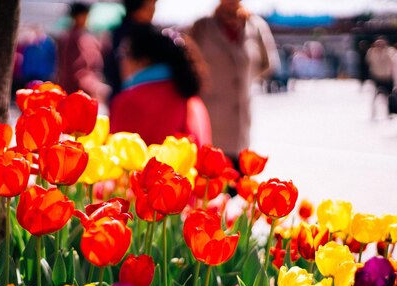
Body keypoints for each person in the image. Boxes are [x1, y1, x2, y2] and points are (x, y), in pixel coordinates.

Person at [189, 0, 278, 166]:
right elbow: (188, 66)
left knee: (237, 180)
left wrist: (243, 82)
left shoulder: (256, 26)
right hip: (210, 123)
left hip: (240, 124)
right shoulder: (203, 27)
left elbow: (268, 66)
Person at [109, 24, 211, 147]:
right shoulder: (192, 98)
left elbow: (114, 155)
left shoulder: (130, 101)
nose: (121, 62)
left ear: (143, 60)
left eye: (123, 54)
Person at [103, 0, 157, 101]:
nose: (153, 10)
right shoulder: (127, 34)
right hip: (129, 95)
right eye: (150, 6)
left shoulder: (119, 31)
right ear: (136, 9)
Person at [56, 2, 109, 101]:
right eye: (84, 15)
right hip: (78, 90)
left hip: (76, 87)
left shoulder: (74, 36)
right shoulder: (75, 38)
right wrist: (93, 85)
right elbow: (78, 68)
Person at [366, 36, 396, 118]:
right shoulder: (372, 51)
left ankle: (390, 112)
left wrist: (385, 51)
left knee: (389, 97)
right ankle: (374, 113)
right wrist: (375, 50)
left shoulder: (390, 51)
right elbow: (369, 61)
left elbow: (393, 61)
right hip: (377, 77)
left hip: (387, 77)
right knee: (375, 96)